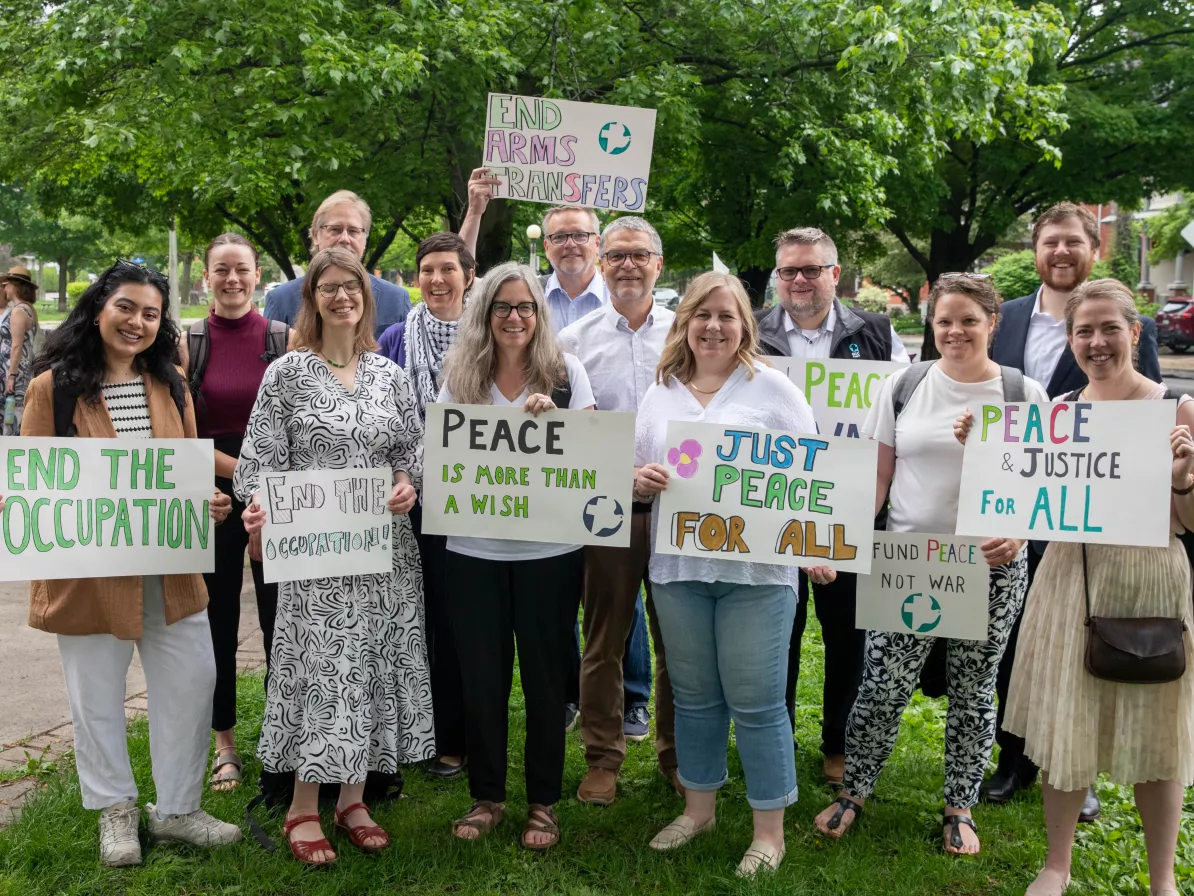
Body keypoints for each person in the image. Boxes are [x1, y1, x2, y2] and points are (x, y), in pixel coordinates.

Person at [0, 260, 238, 867]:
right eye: (126, 308)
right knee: (95, 695)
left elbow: (186, 468)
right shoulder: (52, 389)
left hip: (171, 568)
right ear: (98, 309)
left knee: (192, 681)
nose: (137, 322)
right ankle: (116, 812)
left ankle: (179, 809)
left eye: (151, 314)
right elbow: (35, 479)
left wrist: (207, 503)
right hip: (90, 571)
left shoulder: (173, 385)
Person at [812, 274, 1048, 856]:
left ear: (992, 323)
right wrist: (841, 538)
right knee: (883, 682)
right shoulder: (905, 385)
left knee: (975, 688)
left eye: (968, 319)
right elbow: (878, 475)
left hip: (990, 565)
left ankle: (958, 806)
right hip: (908, 560)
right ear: (931, 324)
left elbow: (1043, 484)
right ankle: (854, 792)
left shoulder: (1024, 394)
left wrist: (1018, 533)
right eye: (944, 320)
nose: (955, 331)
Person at [235, 246, 433, 866]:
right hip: (315, 554)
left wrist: (406, 483)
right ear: (311, 299)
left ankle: (353, 798)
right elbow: (258, 463)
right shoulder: (287, 375)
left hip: (384, 551)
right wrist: (258, 511)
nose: (342, 296)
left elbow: (412, 451)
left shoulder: (389, 376)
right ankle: (301, 804)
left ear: (366, 297)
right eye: (329, 288)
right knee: (322, 671)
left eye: (353, 286)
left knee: (373, 664)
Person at [998, 278, 1194, 896]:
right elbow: (1023, 506)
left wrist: (1185, 477)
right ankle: (1057, 864)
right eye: (1084, 330)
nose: (1097, 341)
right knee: (1066, 722)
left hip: (1150, 579)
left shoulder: (1177, 410)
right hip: (1071, 579)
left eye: (1110, 328)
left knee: (1159, 729)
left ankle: (1162, 878)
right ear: (1072, 339)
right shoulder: (1058, 416)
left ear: (1135, 333)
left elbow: (1189, 524)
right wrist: (990, 455)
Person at [634, 271, 833, 877]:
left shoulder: (772, 389)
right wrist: (641, 481)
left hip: (758, 574)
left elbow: (812, 476)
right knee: (693, 699)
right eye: (702, 315)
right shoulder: (660, 391)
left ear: (744, 324)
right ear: (684, 323)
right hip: (678, 569)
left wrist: (817, 544)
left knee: (757, 701)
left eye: (726, 316)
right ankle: (699, 809)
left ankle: (768, 830)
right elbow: (639, 469)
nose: (714, 327)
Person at [985, 202, 1163, 819]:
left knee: (1079, 640)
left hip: (1090, 520)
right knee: (1016, 645)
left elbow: (1147, 422)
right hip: (1016, 507)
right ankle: (1014, 758)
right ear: (1035, 250)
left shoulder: (1118, 323)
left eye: (1073, 243)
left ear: (1095, 251)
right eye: (1049, 243)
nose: (1060, 253)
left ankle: (1076, 769)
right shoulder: (1001, 319)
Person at [461, 171, 654, 736]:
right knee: (585, 594)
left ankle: (634, 697)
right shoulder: (535, 307)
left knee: (622, 602)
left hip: (625, 476)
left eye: (581, 235)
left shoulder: (636, 316)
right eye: (558, 236)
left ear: (596, 243)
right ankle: (575, 695)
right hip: (548, 486)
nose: (570, 244)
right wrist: (476, 210)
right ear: (545, 246)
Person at [438, 262, 595, 851]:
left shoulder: (564, 373)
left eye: (525, 307)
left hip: (550, 552)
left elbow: (588, 456)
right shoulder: (461, 376)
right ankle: (488, 797)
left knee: (546, 679)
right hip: (474, 550)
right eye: (502, 307)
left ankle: (543, 803)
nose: (514, 318)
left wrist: (557, 426)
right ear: (484, 314)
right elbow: (443, 452)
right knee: (482, 677)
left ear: (540, 313)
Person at [754, 227, 910, 790]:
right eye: (789, 270)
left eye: (811, 270)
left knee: (847, 633)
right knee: (778, 629)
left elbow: (902, 409)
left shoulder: (878, 332)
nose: (799, 280)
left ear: (835, 274)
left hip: (852, 506)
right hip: (772, 504)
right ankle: (778, 736)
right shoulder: (752, 329)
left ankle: (839, 746)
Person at [558, 216, 680, 805]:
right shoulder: (574, 341)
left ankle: (676, 756)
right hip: (605, 506)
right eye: (617, 256)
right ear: (601, 264)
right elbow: (564, 431)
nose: (628, 265)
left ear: (659, 264)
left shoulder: (690, 334)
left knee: (677, 638)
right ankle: (603, 757)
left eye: (640, 255)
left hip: (683, 509)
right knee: (603, 637)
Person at [177, 234, 288, 791]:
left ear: (256, 273)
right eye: (221, 270)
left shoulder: (282, 339)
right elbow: (179, 429)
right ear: (206, 277)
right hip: (211, 494)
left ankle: (282, 737)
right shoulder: (185, 343)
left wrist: (260, 484)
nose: (232, 280)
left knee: (281, 617)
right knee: (215, 619)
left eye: (241, 269)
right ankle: (225, 745)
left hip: (275, 495)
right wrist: (237, 475)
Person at [377, 231, 477, 779]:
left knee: (451, 615)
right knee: (404, 614)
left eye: (447, 269)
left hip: (465, 495)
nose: (436, 280)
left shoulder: (488, 336)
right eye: (427, 270)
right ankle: (402, 729)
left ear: (467, 275)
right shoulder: (395, 337)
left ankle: (452, 735)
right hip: (403, 494)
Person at [263, 190, 412, 340]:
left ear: (365, 239)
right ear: (315, 236)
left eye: (353, 231)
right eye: (335, 229)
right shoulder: (280, 301)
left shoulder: (396, 300)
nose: (345, 239)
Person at [0, 265, 41, 436]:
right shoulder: (27, 308)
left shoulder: (18, 311)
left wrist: (11, 376)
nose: (4, 289)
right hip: (20, 370)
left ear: (15, 286)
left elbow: (16, 346)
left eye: (6, 284)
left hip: (15, 372)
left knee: (12, 410)